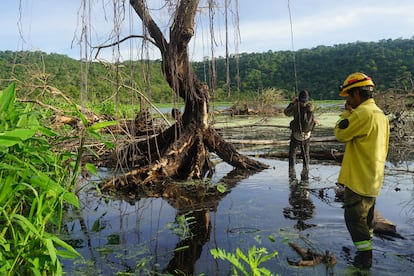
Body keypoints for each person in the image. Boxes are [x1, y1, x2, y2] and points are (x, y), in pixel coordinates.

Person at [334, 72, 389, 269]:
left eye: (349, 95)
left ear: (358, 93)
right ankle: (367, 250)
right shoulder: (380, 115)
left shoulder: (362, 114)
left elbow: (341, 132)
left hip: (359, 178)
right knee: (368, 219)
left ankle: (364, 259)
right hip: (373, 178)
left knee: (354, 219)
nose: (348, 100)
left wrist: (347, 113)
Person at [284, 90, 316, 181]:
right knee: (306, 154)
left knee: (292, 155)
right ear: (307, 98)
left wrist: (292, 103)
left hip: (296, 135)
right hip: (307, 135)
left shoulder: (296, 106)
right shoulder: (311, 107)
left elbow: (286, 113)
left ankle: (291, 175)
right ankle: (306, 175)